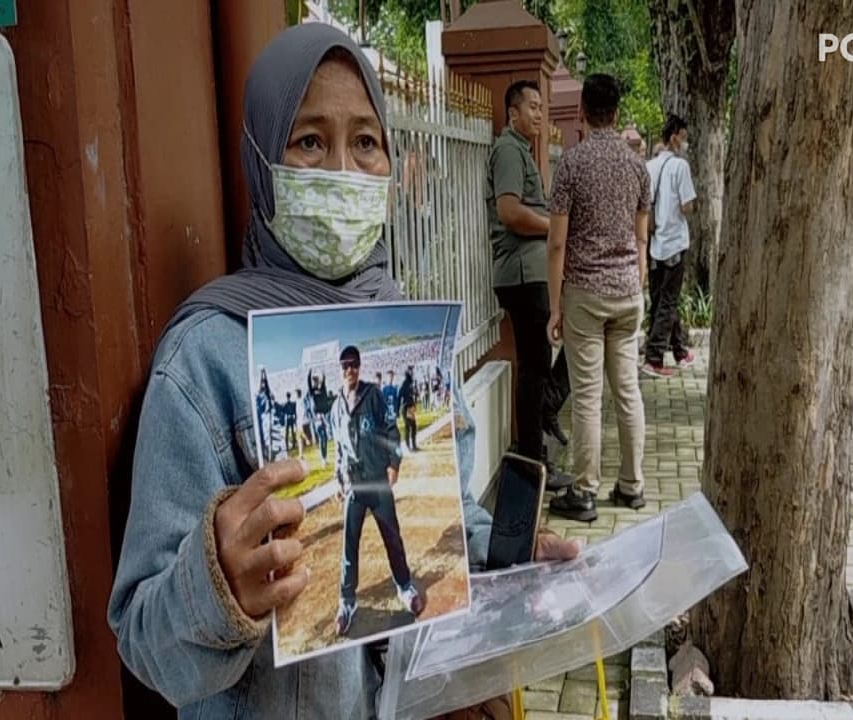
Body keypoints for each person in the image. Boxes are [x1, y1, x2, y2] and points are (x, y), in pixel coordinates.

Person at [107, 24, 578, 719]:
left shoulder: (409, 331)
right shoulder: (204, 360)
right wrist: (217, 588)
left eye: (365, 141)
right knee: (356, 552)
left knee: (384, 544)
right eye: (308, 141)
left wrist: (508, 556)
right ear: (262, 161)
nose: (341, 169)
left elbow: (449, 524)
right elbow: (143, 639)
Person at [544, 74, 650, 523]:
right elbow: (642, 239)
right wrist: (638, 284)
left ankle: (584, 493)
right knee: (627, 390)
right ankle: (632, 486)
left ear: (582, 112)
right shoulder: (636, 166)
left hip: (585, 294)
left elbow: (556, 245)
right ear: (618, 113)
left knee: (587, 396)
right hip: (628, 292)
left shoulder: (572, 164)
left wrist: (555, 306)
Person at [486, 79, 573, 489]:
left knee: (539, 365)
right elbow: (509, 211)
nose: (539, 114)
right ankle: (532, 461)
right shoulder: (507, 150)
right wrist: (553, 227)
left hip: (533, 271)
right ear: (513, 112)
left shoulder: (522, 150)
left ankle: (537, 445)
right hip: (522, 273)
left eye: (542, 107)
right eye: (532, 107)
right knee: (534, 369)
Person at [331, 346, 417, 634]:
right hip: (355, 484)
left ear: (360, 366)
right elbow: (339, 450)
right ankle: (347, 601)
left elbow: (391, 429)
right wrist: (338, 479)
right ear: (339, 369)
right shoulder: (336, 408)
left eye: (354, 365)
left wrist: (394, 462)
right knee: (349, 545)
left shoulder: (373, 395)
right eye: (345, 366)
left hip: (377, 479)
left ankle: (405, 586)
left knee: (392, 536)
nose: (350, 370)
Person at [641, 115, 698, 379]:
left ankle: (680, 350)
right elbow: (687, 205)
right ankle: (653, 357)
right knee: (668, 300)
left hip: (654, 244)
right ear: (674, 136)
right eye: (684, 137)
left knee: (662, 298)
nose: (685, 143)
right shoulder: (680, 167)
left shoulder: (649, 167)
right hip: (675, 241)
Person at [399, 367, 419, 452]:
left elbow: (413, 394)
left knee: (413, 426)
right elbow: (400, 395)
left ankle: (413, 445)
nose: (412, 373)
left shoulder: (411, 383)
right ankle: (408, 446)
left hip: (410, 407)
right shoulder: (405, 383)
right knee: (408, 427)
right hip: (406, 407)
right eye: (411, 371)